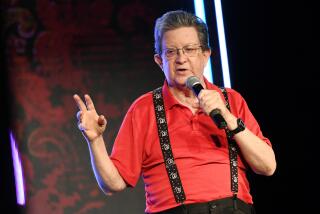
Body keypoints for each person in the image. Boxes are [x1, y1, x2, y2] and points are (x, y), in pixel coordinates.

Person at [73, 10, 276, 214]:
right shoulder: (143, 110)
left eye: (189, 49)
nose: (181, 59)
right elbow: (113, 184)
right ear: (159, 61)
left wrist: (228, 117)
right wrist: (95, 141)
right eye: (171, 51)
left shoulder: (232, 100)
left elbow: (268, 166)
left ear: (206, 55)